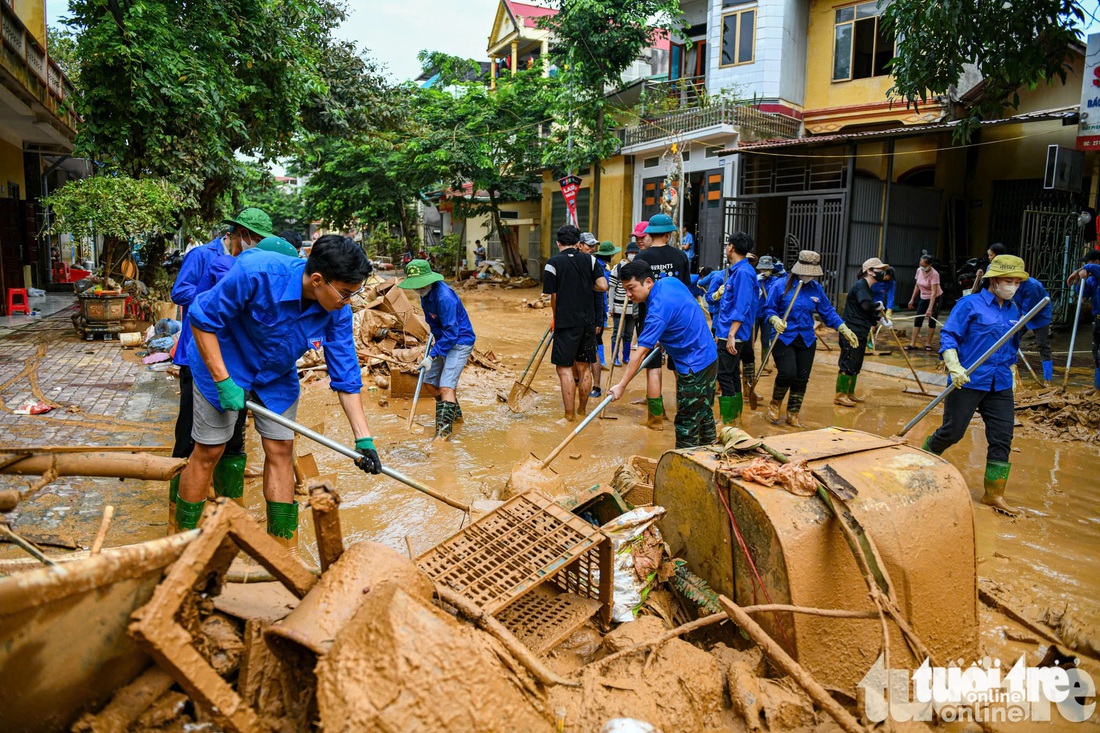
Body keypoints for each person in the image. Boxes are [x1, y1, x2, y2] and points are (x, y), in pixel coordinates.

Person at [175, 236, 381, 548]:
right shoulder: (255, 273)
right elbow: (202, 320)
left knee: (282, 452)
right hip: (222, 362)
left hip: (276, 375)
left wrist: (363, 439)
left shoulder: (337, 310)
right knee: (209, 451)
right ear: (317, 280)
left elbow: (346, 375)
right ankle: (181, 541)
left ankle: (282, 550)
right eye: (345, 293)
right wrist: (223, 381)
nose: (348, 301)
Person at [167, 209, 273, 526]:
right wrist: (215, 288)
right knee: (189, 436)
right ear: (237, 234)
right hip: (197, 354)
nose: (254, 246)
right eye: (252, 238)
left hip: (235, 361)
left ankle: (229, 507)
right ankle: (177, 513)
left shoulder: (253, 262)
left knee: (235, 437)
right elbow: (180, 293)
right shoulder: (203, 255)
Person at [922, 255, 1030, 516]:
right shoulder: (969, 304)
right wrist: (952, 363)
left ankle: (994, 494)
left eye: (1017, 281)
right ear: (993, 281)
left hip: (999, 383)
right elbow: (949, 335)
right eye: (1008, 280)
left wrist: (1013, 371)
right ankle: (923, 459)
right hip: (968, 378)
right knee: (953, 432)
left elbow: (1011, 345)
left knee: (1002, 437)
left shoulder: (1015, 310)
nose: (1012, 286)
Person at [609, 261, 718, 449]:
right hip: (709, 357)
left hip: (694, 366)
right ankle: (713, 457)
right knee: (704, 413)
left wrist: (621, 385)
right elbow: (683, 311)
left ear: (648, 282)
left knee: (686, 425)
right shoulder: (670, 282)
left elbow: (639, 354)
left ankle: (686, 469)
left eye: (631, 288)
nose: (628, 294)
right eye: (625, 289)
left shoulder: (657, 311)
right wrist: (663, 338)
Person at [763, 250, 857, 427]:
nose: (809, 277)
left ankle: (793, 412)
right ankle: (775, 405)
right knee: (788, 372)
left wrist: (843, 328)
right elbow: (768, 309)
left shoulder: (816, 289)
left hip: (806, 338)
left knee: (801, 377)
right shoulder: (780, 285)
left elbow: (827, 311)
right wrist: (774, 319)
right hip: (783, 337)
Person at [399, 259, 476, 439]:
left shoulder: (444, 297)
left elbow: (451, 332)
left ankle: (443, 436)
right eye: (415, 286)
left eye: (420, 285)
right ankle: (453, 414)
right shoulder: (425, 295)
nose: (418, 289)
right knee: (429, 383)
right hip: (443, 340)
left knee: (446, 387)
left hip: (459, 341)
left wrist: (432, 356)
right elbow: (435, 324)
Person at [543, 225, 609, 421]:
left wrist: (555, 318)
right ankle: (582, 410)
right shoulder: (591, 260)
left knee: (564, 369)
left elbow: (553, 296)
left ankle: (569, 416)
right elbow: (603, 286)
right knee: (584, 367)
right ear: (578, 243)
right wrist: (585, 285)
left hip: (566, 322)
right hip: (588, 322)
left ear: (558, 243)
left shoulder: (553, 264)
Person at [635, 213, 692, 429]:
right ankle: (685, 415)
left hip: (650, 318)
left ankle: (656, 420)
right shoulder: (680, 257)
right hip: (678, 319)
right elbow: (686, 290)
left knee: (653, 367)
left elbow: (635, 291)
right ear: (668, 234)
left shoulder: (641, 259)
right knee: (681, 367)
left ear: (650, 234)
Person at [713, 232, 758, 426]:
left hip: (734, 333)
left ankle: (728, 419)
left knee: (724, 373)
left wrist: (731, 333)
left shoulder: (743, 273)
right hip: (727, 330)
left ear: (731, 247)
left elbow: (742, 305)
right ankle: (735, 417)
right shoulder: (738, 271)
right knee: (731, 373)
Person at [836, 258, 888, 407]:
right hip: (851, 330)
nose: (882, 273)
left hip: (861, 330)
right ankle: (840, 394)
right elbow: (865, 306)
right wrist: (876, 306)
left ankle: (849, 393)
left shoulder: (867, 287)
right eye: (879, 270)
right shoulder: (861, 286)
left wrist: (879, 320)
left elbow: (864, 312)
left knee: (856, 362)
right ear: (869, 271)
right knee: (848, 360)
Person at [590, 241, 620, 397]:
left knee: (596, 344)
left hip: (597, 314)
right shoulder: (599, 268)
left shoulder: (601, 267)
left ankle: (596, 381)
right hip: (596, 313)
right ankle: (598, 368)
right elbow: (601, 294)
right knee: (595, 345)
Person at [1067, 249, 1100, 392]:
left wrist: (1081, 269)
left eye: (1088, 262)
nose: (1086, 265)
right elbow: (1085, 294)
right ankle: (1097, 387)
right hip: (1098, 319)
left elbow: (1093, 268)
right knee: (1097, 352)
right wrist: (1078, 282)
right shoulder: (1093, 279)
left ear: (1096, 262)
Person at [1012, 274, 1054, 384]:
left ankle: (1047, 378)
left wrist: (1021, 320)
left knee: (1043, 344)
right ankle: (1009, 369)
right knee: (1011, 338)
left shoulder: (1032, 286)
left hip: (1039, 314)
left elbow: (1029, 308)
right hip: (1022, 313)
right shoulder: (1011, 284)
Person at [609, 242, 639, 365]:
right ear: (627, 254)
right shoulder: (619, 267)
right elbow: (611, 288)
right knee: (617, 333)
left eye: (636, 253)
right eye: (632, 253)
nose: (633, 255)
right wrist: (611, 306)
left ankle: (626, 357)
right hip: (619, 307)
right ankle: (614, 357)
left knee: (629, 334)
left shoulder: (638, 268)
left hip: (633, 307)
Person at [754, 255, 784, 375]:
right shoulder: (755, 280)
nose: (765, 271)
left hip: (768, 315)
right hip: (755, 313)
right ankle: (747, 364)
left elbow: (786, 280)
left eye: (767, 269)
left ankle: (764, 364)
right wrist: (755, 283)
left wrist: (781, 270)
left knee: (766, 339)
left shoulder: (775, 282)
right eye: (762, 269)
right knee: (751, 339)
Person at [907, 254, 942, 351]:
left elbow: (934, 293)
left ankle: (928, 343)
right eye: (920, 265)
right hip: (923, 297)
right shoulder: (919, 271)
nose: (922, 267)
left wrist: (930, 308)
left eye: (924, 265)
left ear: (930, 265)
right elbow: (917, 286)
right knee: (918, 319)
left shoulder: (935, 274)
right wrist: (912, 299)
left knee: (932, 320)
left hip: (935, 298)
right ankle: (912, 343)